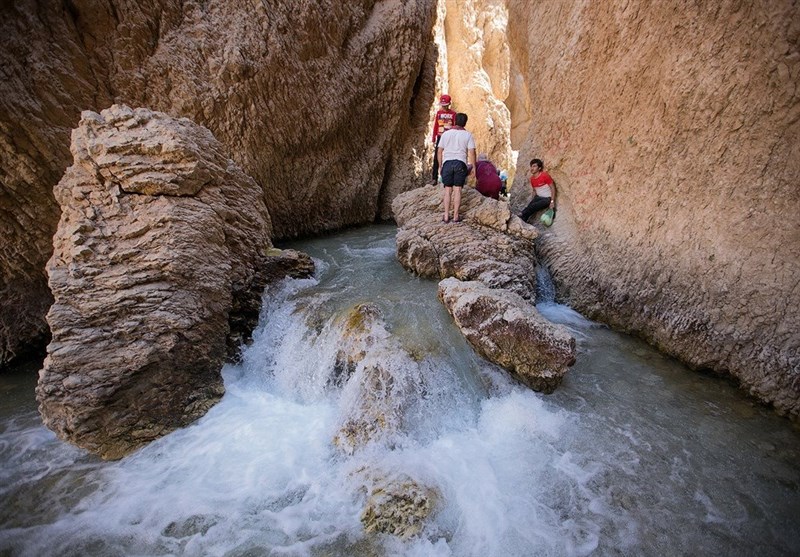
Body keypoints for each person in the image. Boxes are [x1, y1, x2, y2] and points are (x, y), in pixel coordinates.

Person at [438, 112, 476, 223]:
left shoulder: (446, 134)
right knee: (458, 189)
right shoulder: (468, 135)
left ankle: (445, 216)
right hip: (460, 163)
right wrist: (473, 167)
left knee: (447, 190)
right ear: (465, 123)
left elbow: (440, 151)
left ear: (455, 121)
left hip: (447, 163)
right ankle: (455, 216)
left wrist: (440, 166)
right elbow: (472, 152)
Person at [519, 158, 556, 222]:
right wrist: (532, 200)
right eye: (531, 166)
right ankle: (523, 220)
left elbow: (553, 188)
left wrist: (552, 201)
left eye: (534, 166)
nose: (532, 168)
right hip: (538, 197)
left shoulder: (545, 175)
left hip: (547, 199)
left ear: (539, 168)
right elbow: (534, 190)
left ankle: (521, 214)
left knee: (533, 206)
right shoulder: (532, 179)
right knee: (531, 205)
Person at [430, 94, 457, 185]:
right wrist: (434, 137)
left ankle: (448, 178)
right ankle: (434, 178)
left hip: (449, 137)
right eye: (442, 105)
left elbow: (454, 126)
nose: (444, 107)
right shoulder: (439, 113)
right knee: (436, 157)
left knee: (449, 156)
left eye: (445, 105)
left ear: (449, 104)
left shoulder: (453, 114)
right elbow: (436, 126)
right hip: (440, 137)